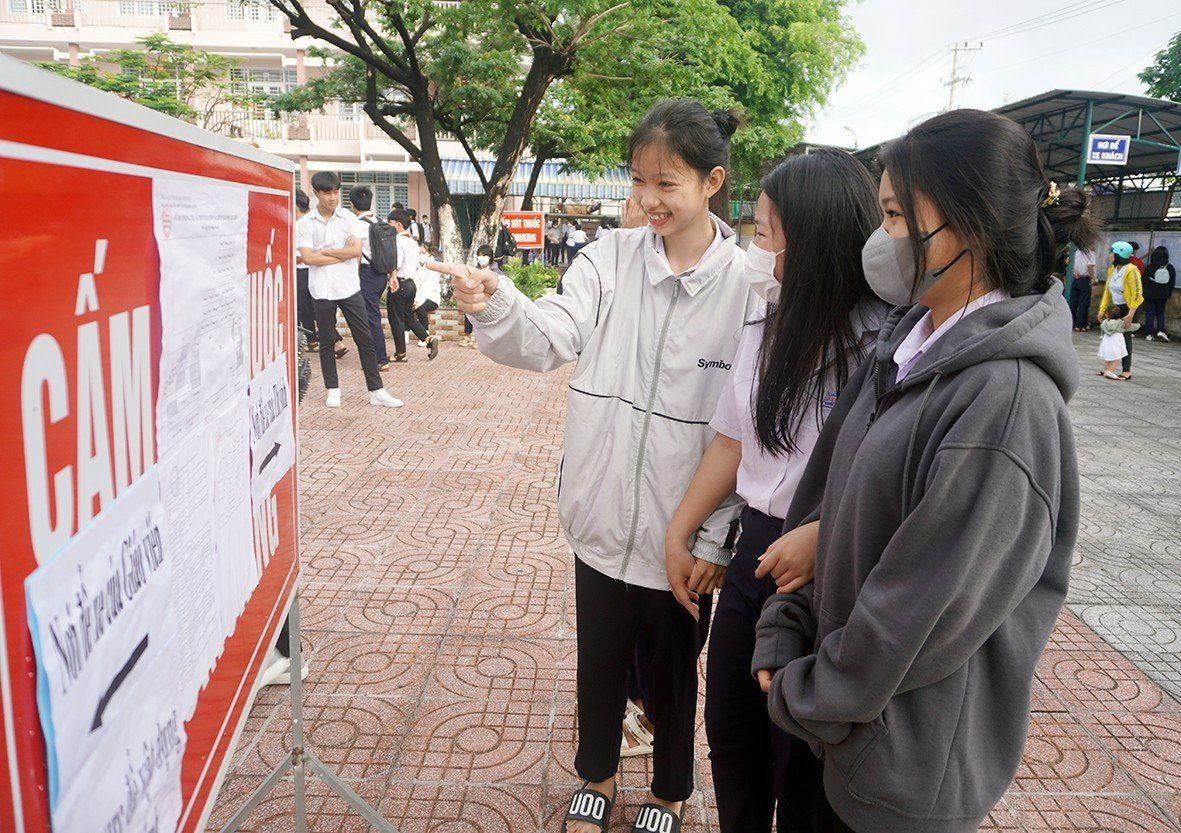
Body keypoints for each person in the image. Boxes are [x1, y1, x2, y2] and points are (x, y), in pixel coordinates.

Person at [752, 108, 1098, 833]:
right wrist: (786, 630)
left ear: (966, 228)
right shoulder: (907, 341)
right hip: (839, 734)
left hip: (894, 776)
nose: (878, 240)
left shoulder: (1003, 405)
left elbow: (922, 607)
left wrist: (805, 691)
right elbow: (824, 506)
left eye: (893, 215)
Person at [430, 99, 754, 833]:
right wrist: (496, 302)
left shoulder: (746, 286)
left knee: (674, 675)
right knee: (599, 663)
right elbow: (550, 335)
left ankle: (669, 791)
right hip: (601, 513)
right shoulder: (607, 259)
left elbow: (749, 428)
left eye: (665, 183)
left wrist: (714, 537)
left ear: (711, 181)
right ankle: (596, 777)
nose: (646, 200)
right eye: (636, 181)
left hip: (683, 532)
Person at [667, 149, 889, 833]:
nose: (754, 249)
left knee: (801, 754)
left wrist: (827, 536)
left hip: (834, 558)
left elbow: (897, 477)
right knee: (730, 726)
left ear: (814, 240)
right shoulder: (766, 323)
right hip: (759, 549)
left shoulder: (883, 339)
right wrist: (681, 530)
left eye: (764, 233)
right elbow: (734, 441)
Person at [295, 171, 403, 408]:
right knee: (326, 341)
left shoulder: (348, 218)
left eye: (336, 192)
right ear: (316, 194)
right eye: (327, 193)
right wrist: (334, 254)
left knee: (364, 338)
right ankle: (332, 389)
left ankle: (377, 390)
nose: (332, 198)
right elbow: (307, 258)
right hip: (321, 289)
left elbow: (354, 252)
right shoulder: (304, 224)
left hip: (349, 287)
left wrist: (323, 252)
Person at [386, 209, 441, 361]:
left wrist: (392, 277)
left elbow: (396, 264)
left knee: (396, 319)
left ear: (397, 224)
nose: (388, 226)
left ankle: (401, 353)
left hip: (399, 283)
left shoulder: (398, 242)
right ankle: (428, 339)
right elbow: (416, 266)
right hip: (410, 284)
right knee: (408, 317)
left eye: (390, 223)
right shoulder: (413, 243)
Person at [350, 185, 394, 371]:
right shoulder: (380, 221)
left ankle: (380, 359)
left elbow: (357, 254)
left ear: (352, 205)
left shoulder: (357, 225)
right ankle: (377, 356)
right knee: (372, 315)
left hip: (366, 274)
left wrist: (352, 276)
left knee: (370, 317)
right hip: (381, 274)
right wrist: (392, 275)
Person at [1097, 241, 1142, 380]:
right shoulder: (1112, 269)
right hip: (1117, 307)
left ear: (1119, 254)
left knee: (1125, 336)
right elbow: (1107, 291)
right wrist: (1102, 309)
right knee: (1110, 335)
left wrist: (1130, 315)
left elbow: (1137, 294)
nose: (1109, 255)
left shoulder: (1132, 270)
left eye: (1111, 252)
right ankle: (1109, 368)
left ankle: (1126, 370)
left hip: (1130, 308)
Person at [1142, 246, 1174, 342]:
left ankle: (1149, 333)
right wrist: (1169, 293)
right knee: (1160, 313)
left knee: (1149, 313)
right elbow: (1172, 282)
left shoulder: (1149, 267)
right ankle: (1161, 330)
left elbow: (1144, 281)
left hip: (1149, 294)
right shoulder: (1169, 267)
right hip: (1163, 295)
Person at [1098, 305, 1140, 378]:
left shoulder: (1105, 322)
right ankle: (1110, 371)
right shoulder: (1121, 323)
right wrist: (1138, 325)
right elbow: (1132, 327)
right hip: (1116, 341)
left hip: (1107, 341)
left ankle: (1107, 369)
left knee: (1107, 357)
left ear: (1107, 315)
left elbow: (1102, 326)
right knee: (1116, 358)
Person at [413, 242, 442, 342]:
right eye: (419, 253)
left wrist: (417, 301)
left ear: (429, 253)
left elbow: (427, 287)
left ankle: (425, 335)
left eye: (423, 252)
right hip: (417, 297)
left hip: (432, 297)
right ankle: (404, 334)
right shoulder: (416, 265)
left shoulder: (434, 266)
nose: (421, 255)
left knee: (420, 308)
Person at [1070, 243, 1097, 331]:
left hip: (1076, 278)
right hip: (1085, 279)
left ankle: (1071, 322)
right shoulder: (1090, 253)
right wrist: (1093, 278)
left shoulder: (1076, 252)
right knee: (1083, 303)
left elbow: (1068, 262)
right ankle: (1080, 324)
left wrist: (1075, 272)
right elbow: (1089, 266)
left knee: (1073, 302)